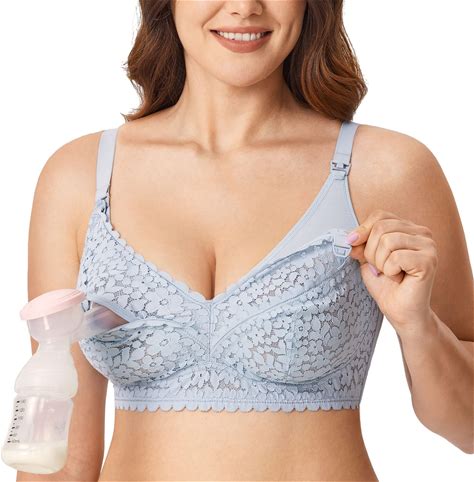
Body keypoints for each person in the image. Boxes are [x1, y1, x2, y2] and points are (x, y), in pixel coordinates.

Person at [19, 1, 473, 481]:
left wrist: (419, 326)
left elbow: (468, 429)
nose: (243, 7)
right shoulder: (80, 179)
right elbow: (53, 458)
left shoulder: (386, 170)